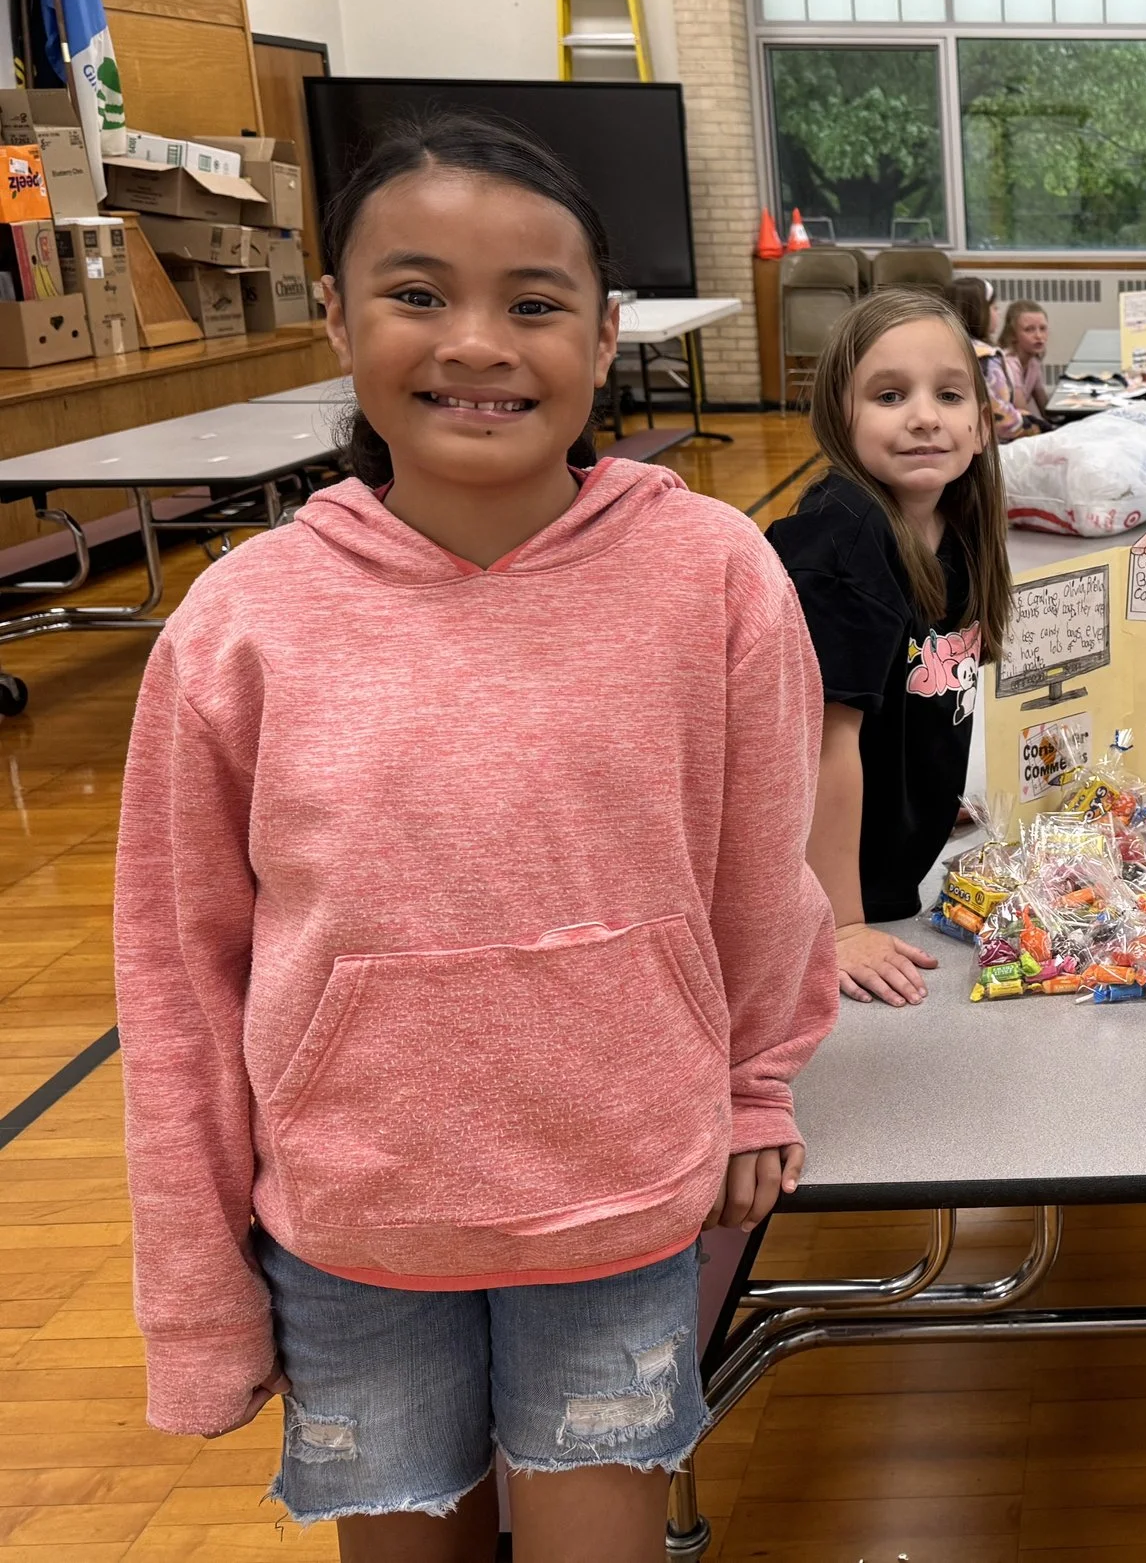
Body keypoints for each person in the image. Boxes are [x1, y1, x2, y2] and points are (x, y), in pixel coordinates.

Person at [112, 116, 840, 1560]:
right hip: (354, 1229)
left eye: (534, 302)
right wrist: (197, 1294)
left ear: (606, 328)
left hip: (618, 1205)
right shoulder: (242, 623)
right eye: (418, 292)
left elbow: (765, 877)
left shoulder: (715, 579)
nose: (479, 343)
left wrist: (756, 1086)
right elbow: (178, 982)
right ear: (334, 312)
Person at [769, 290, 1014, 1011]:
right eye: (888, 394)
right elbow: (821, 746)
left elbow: (925, 687)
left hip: (898, 866)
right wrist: (839, 925)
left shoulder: (955, 524)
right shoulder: (841, 541)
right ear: (841, 419)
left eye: (948, 393)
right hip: (833, 890)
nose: (924, 416)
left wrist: (929, 791)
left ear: (979, 423)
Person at [946, 276, 1025, 439]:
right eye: (995, 308)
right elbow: (999, 418)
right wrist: (1030, 422)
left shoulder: (939, 347)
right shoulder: (985, 358)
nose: (998, 313)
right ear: (979, 312)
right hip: (990, 447)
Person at [1000, 298, 1051, 425]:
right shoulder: (1009, 363)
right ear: (1012, 334)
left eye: (1043, 328)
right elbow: (1022, 412)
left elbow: (1045, 409)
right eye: (1029, 329)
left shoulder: (1033, 361)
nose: (1039, 336)